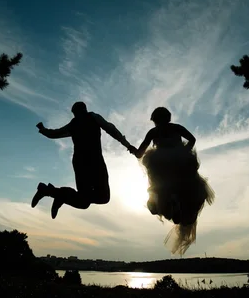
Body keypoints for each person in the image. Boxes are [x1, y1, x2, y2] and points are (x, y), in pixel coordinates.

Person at [31, 101, 136, 219]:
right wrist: (128, 145)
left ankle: (54, 193)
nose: (76, 116)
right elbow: (112, 130)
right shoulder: (84, 120)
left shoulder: (83, 121)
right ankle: (58, 194)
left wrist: (43, 129)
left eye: (76, 113)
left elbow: (55, 134)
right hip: (90, 163)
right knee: (99, 198)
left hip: (86, 163)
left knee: (85, 201)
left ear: (81, 110)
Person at [132, 106, 215, 255]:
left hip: (160, 161)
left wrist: (134, 150)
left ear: (155, 120)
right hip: (180, 160)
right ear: (168, 117)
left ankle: (159, 201)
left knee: (158, 184)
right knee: (188, 185)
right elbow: (192, 139)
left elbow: (140, 152)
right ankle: (174, 201)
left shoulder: (153, 132)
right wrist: (184, 151)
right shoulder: (177, 127)